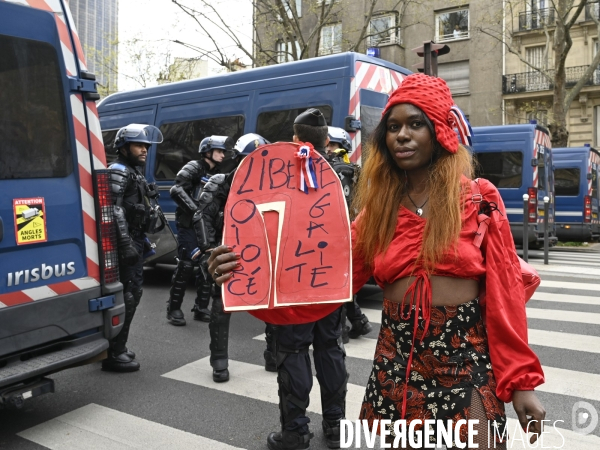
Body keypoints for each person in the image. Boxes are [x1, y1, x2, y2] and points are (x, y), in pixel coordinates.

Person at [349, 73, 546, 447]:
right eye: (392, 127)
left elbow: (505, 296)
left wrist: (521, 384)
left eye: (415, 124)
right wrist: (248, 273)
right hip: (396, 370)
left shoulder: (479, 201)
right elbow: (330, 278)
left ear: (440, 130)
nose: (401, 135)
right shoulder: (377, 209)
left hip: (466, 366)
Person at [207, 109, 349, 450]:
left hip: (291, 283)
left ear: (296, 140)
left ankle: (295, 432)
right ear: (327, 142)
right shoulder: (343, 174)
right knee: (331, 350)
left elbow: (243, 215)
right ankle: (335, 426)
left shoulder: (274, 168)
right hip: (331, 282)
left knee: (293, 352)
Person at [191, 133, 276, 382]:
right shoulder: (221, 183)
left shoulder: (271, 186)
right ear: (239, 161)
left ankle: (273, 354)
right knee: (221, 304)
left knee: (271, 303)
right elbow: (201, 216)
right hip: (227, 250)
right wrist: (210, 250)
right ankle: (219, 361)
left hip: (262, 253)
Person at [105, 123, 164, 372]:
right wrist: (126, 243)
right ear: (123, 146)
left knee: (133, 294)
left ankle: (117, 347)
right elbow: (113, 209)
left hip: (135, 239)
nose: (144, 150)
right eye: (139, 145)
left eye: (146, 146)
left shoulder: (133, 172)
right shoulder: (119, 170)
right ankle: (113, 352)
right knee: (127, 295)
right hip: (124, 242)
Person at [167, 136, 227, 326]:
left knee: (208, 264)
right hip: (188, 225)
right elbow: (176, 190)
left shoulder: (217, 173)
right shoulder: (194, 167)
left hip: (207, 226)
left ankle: (201, 308)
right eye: (219, 151)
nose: (223, 154)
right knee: (185, 265)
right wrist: (195, 211)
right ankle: (174, 309)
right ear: (208, 151)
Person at [327, 126, 373, 343]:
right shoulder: (356, 169)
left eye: (330, 144)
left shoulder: (329, 168)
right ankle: (359, 321)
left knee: (336, 283)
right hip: (353, 231)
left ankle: (342, 331)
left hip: (334, 234)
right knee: (345, 281)